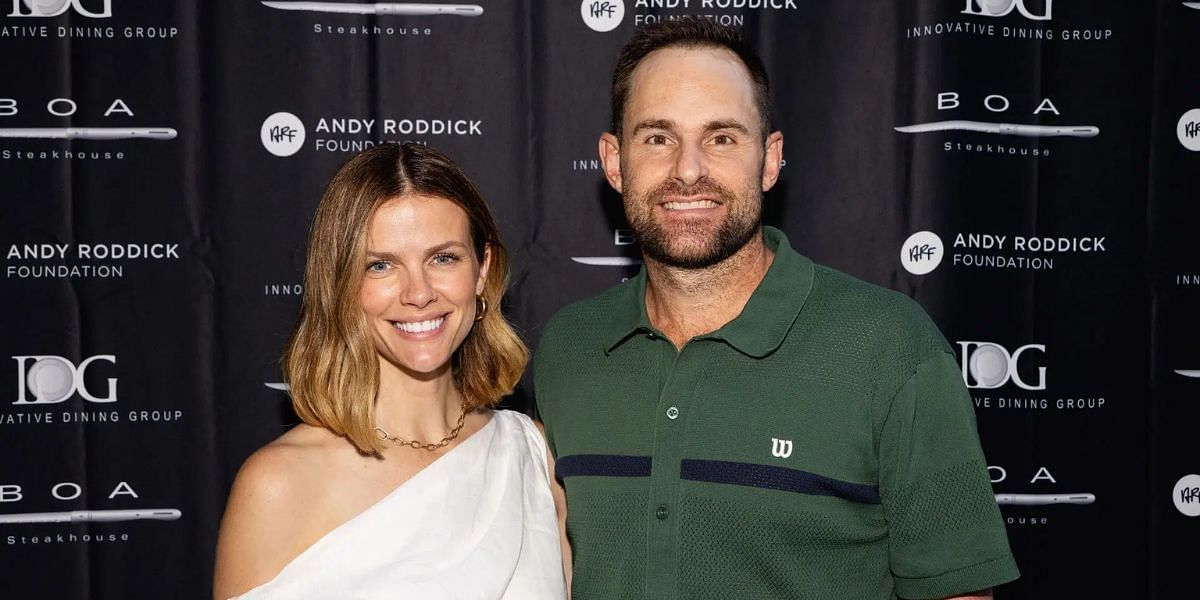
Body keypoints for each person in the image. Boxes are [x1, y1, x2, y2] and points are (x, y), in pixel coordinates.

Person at [534, 19, 1019, 600]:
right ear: (614, 162)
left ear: (769, 158)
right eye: (658, 137)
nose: (688, 170)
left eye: (722, 137)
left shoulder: (890, 347)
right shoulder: (567, 348)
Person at [214, 143, 569, 599]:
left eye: (443, 258)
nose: (418, 293)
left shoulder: (534, 459)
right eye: (381, 266)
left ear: (482, 271)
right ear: (340, 285)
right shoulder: (278, 485)